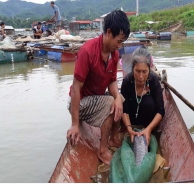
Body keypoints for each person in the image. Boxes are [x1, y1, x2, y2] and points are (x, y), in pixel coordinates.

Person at [67, 10, 130, 165]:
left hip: (96, 98)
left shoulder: (114, 54)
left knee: (119, 99)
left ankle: (113, 138)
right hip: (80, 102)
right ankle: (102, 151)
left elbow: (112, 82)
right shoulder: (88, 51)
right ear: (109, 32)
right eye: (119, 41)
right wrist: (75, 124)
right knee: (110, 103)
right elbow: (76, 89)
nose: (119, 46)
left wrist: (117, 98)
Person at [121, 47, 165, 146]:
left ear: (149, 69)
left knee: (148, 102)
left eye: (144, 72)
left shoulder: (153, 81)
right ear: (132, 68)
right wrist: (129, 129)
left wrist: (148, 129)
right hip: (131, 124)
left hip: (149, 124)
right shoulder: (127, 82)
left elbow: (161, 110)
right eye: (137, 71)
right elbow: (124, 110)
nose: (141, 76)